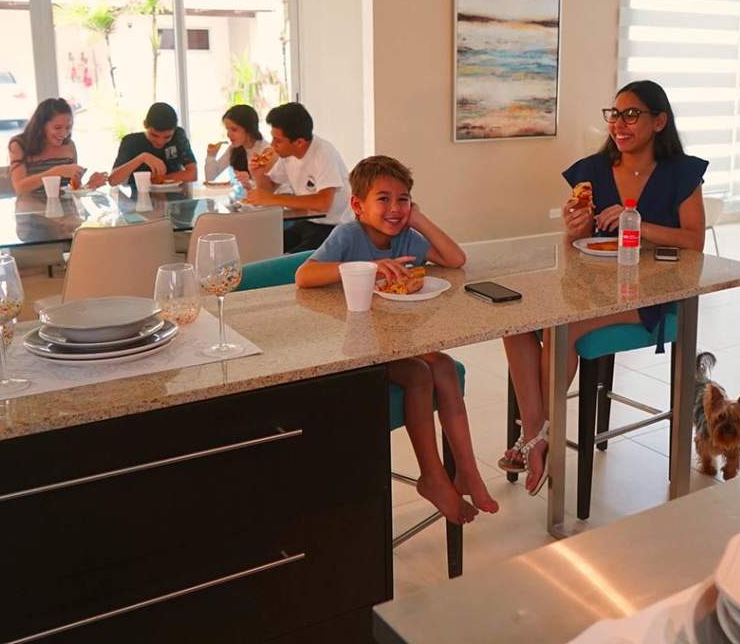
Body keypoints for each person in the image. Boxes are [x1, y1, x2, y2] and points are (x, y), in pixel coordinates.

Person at [500, 79, 708, 495]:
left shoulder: (681, 173)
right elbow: (577, 245)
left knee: (565, 326)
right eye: (615, 114)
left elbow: (694, 241)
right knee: (515, 321)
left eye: (631, 114)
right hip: (594, 286)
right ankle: (539, 432)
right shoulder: (591, 171)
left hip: (654, 292)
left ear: (659, 121)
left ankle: (535, 436)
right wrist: (573, 227)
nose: (619, 124)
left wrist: (637, 224)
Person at [294, 155, 497, 524]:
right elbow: (303, 276)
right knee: (419, 373)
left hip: (395, 340)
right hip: (354, 346)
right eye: (383, 199)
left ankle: (467, 471)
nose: (394, 208)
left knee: (445, 367)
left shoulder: (405, 237)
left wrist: (418, 219)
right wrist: (365, 267)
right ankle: (433, 477)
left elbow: (455, 259)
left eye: (403, 199)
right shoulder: (348, 235)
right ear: (358, 205)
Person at [262, 102, 352, 251]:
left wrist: (273, 199)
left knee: (290, 261)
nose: (272, 145)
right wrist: (258, 174)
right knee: (266, 247)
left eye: (278, 140)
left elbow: (323, 203)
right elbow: (269, 188)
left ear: (299, 142)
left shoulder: (324, 152)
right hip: (308, 222)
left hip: (334, 227)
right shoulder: (287, 155)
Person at [7, 97, 108, 195]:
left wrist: (90, 186)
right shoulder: (19, 144)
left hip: (65, 206)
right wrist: (57, 171)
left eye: (68, 127)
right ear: (41, 125)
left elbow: (73, 188)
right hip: (30, 205)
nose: (64, 134)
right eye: (57, 127)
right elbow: (19, 187)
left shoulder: (69, 145)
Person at [110, 102, 198, 187]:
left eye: (167, 137)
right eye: (154, 135)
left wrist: (161, 178)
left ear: (174, 130)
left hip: (175, 194)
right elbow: (113, 180)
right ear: (144, 124)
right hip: (140, 194)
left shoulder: (178, 136)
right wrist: (142, 158)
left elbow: (192, 174)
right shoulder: (131, 141)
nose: (160, 141)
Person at [203, 104, 274, 189]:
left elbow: (269, 189)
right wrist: (211, 156)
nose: (228, 134)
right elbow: (210, 178)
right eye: (227, 129)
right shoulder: (234, 148)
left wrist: (249, 182)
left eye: (234, 129)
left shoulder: (266, 151)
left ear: (249, 129)